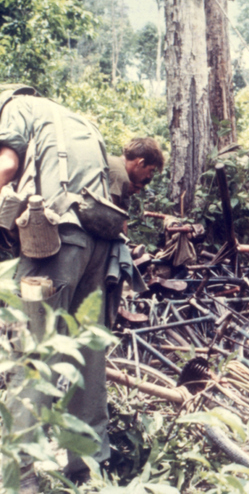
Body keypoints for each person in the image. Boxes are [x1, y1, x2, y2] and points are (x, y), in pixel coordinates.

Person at [0, 86, 122, 490]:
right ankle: (89, 469)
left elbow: (5, 164)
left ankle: (22, 476)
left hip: (56, 243)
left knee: (31, 354)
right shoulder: (74, 119)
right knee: (87, 353)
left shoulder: (15, 108)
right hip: (100, 245)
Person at [108, 137, 165, 212]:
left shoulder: (114, 162)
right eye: (150, 170)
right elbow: (110, 217)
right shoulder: (119, 174)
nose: (148, 175)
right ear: (141, 163)